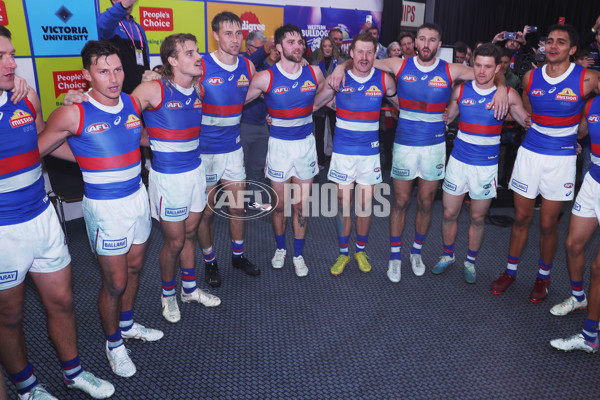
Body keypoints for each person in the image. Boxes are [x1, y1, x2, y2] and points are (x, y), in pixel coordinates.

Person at [329, 22, 508, 282]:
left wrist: (501, 87)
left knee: (425, 204)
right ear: (415, 42)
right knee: (400, 202)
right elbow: (360, 61)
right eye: (421, 39)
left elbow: (486, 72)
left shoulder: (451, 69)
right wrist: (340, 66)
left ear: (439, 44)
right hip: (404, 146)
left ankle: (416, 253)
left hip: (434, 147)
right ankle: (394, 257)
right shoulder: (397, 64)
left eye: (432, 40)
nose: (426, 44)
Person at [38, 40, 164, 378]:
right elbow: (37, 148)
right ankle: (114, 345)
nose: (113, 78)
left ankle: (126, 325)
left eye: (118, 69)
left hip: (138, 196)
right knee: (115, 282)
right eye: (103, 71)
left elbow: (131, 137)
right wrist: (84, 159)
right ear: (86, 74)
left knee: (136, 269)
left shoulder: (129, 102)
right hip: (105, 208)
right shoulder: (72, 111)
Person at [0, 28, 114, 400]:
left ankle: (73, 372)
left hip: (41, 215)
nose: (11, 63)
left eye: (11, 53)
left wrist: (98, 156)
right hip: (3, 231)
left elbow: (39, 141)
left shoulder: (24, 93)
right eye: (1, 56)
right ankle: (27, 386)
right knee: (10, 316)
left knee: (63, 302)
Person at [490, 24, 599, 303]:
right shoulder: (530, 77)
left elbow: (589, 113)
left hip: (561, 160)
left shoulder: (587, 78)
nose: (553, 46)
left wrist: (580, 135)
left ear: (572, 50)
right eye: (549, 41)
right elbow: (509, 85)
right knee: (522, 218)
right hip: (530, 155)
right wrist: (502, 89)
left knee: (549, 224)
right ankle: (510, 271)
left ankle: (543, 277)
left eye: (561, 42)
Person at [433, 43, 529, 283]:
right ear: (472, 64)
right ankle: (448, 255)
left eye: (488, 67)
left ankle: (470, 261)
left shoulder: (507, 94)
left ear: (497, 68)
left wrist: (568, 139)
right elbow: (447, 117)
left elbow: (529, 123)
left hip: (485, 167)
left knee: (477, 218)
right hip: (458, 162)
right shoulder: (461, 91)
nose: (482, 71)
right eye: (477, 65)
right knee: (448, 213)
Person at [314, 32, 397, 276]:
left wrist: (436, 116)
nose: (364, 57)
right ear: (351, 53)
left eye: (369, 52)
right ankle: (343, 254)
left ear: (375, 54)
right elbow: (315, 104)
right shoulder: (339, 78)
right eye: (359, 51)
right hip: (342, 153)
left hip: (369, 154)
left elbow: (405, 107)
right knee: (342, 204)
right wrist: (330, 81)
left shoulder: (384, 80)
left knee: (364, 205)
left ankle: (360, 250)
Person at [245, 24, 325, 277]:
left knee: (301, 205)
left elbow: (326, 99)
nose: (298, 46)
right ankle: (281, 248)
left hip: (305, 146)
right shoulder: (265, 77)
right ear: (278, 48)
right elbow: (234, 102)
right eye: (291, 42)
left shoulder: (314, 72)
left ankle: (298, 254)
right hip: (279, 147)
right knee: (279, 206)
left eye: (300, 41)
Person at [198, 12, 260, 287]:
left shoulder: (248, 66)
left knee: (238, 207)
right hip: (205, 151)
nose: (235, 39)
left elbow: (267, 88)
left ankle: (238, 255)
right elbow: (169, 87)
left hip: (232, 148)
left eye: (238, 33)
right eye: (228, 33)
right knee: (208, 212)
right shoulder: (200, 64)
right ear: (215, 35)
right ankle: (210, 262)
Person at [549, 95, 600, 352]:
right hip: (594, 181)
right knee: (572, 244)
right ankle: (579, 298)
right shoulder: (592, 105)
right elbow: (578, 131)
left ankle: (590, 337)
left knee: (598, 268)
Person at [241, 30, 273, 212]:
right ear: (249, 48)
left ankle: (254, 201)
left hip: (262, 125)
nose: (265, 52)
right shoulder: (243, 63)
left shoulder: (266, 67)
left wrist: (270, 113)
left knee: (257, 168)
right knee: (242, 168)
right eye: (262, 49)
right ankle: (241, 203)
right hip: (243, 125)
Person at [97, 0, 149, 94]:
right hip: (120, 93)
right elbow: (105, 24)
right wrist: (122, 6)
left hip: (142, 92)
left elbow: (146, 59)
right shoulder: (108, 23)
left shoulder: (138, 28)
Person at [312, 36, 342, 168]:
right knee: (318, 134)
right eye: (325, 46)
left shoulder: (340, 63)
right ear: (321, 48)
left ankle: (335, 161)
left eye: (330, 46)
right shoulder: (315, 63)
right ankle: (320, 161)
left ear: (333, 47)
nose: (328, 48)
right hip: (319, 104)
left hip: (334, 103)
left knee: (336, 133)